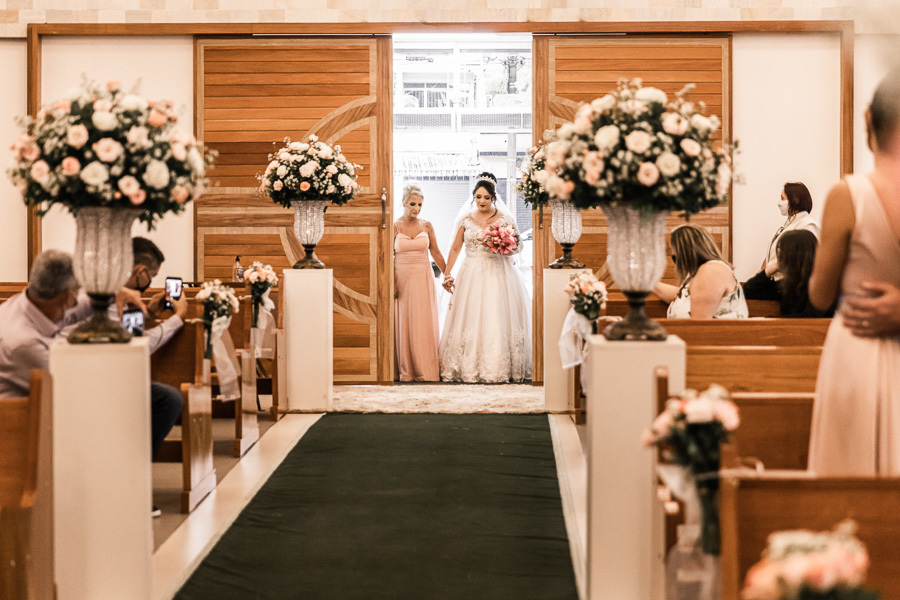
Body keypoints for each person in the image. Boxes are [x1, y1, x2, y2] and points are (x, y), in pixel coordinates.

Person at [807, 67, 900, 476]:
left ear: (868, 120)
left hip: (857, 348)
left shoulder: (847, 195)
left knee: (847, 478)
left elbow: (820, 295)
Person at [439, 172, 532, 382]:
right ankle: (467, 364)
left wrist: (503, 246)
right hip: (471, 272)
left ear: (493, 198)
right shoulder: (465, 219)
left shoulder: (505, 218)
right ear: (473, 197)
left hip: (498, 272)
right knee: (470, 314)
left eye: (486, 197)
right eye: (478, 197)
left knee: (495, 313)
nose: (482, 201)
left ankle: (497, 365)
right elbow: (455, 248)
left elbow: (518, 246)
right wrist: (447, 273)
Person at [0, 250, 91, 398]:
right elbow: (69, 388)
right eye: (77, 290)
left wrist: (113, 295)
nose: (77, 298)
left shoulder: (27, 303)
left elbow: (83, 305)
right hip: (22, 412)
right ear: (68, 297)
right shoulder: (24, 343)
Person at [394, 182, 446, 382]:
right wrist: (391, 282)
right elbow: (387, 256)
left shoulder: (427, 225)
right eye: (412, 204)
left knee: (423, 322)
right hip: (402, 279)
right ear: (403, 203)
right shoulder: (395, 226)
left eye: (419, 205)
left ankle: (425, 369)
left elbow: (436, 253)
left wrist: (448, 274)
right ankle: (406, 370)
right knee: (405, 322)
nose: (416, 209)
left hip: (423, 278)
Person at [652, 223, 749, 319]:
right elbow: (681, 296)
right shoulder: (699, 272)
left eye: (675, 258)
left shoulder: (710, 271)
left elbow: (700, 324)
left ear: (685, 254)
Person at [743, 182, 820, 301]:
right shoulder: (788, 224)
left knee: (746, 292)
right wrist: (763, 272)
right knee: (745, 291)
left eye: (782, 198)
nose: (779, 202)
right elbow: (774, 251)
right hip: (776, 281)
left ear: (795, 199)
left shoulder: (807, 225)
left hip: (791, 287)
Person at [775, 230, 833, 318]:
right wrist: (768, 271)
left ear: (796, 256)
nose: (780, 257)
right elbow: (752, 292)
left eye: (783, 252)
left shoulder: (822, 284)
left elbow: (810, 317)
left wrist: (768, 320)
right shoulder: (792, 281)